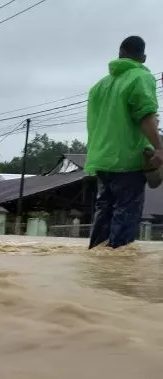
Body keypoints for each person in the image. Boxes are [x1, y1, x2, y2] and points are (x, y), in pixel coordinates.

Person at [86, 36, 163, 249]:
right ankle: (115, 271)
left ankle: (96, 265)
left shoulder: (99, 86)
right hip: (128, 159)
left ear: (120, 53)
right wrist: (159, 147)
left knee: (104, 210)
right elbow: (145, 116)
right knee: (125, 212)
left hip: (101, 159)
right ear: (144, 57)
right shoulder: (141, 77)